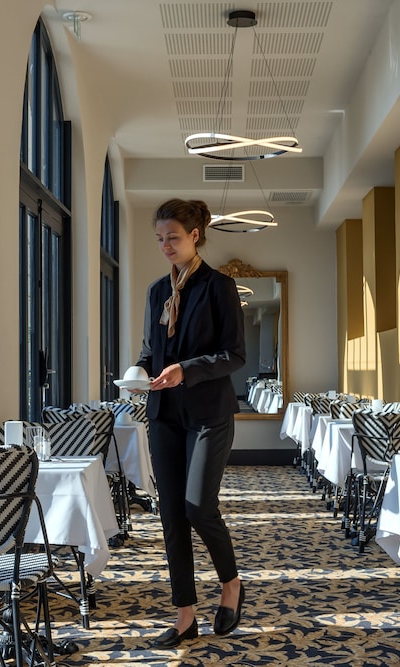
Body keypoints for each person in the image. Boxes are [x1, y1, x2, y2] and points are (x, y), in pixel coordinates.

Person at [134, 198, 247, 648]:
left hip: (208, 415)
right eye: (160, 239)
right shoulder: (156, 292)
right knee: (171, 515)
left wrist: (187, 369)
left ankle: (231, 584)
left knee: (198, 507)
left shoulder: (219, 287)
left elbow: (233, 355)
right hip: (165, 415)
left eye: (173, 238)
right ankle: (185, 615)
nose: (165, 246)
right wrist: (139, 372)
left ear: (195, 235)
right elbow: (150, 351)